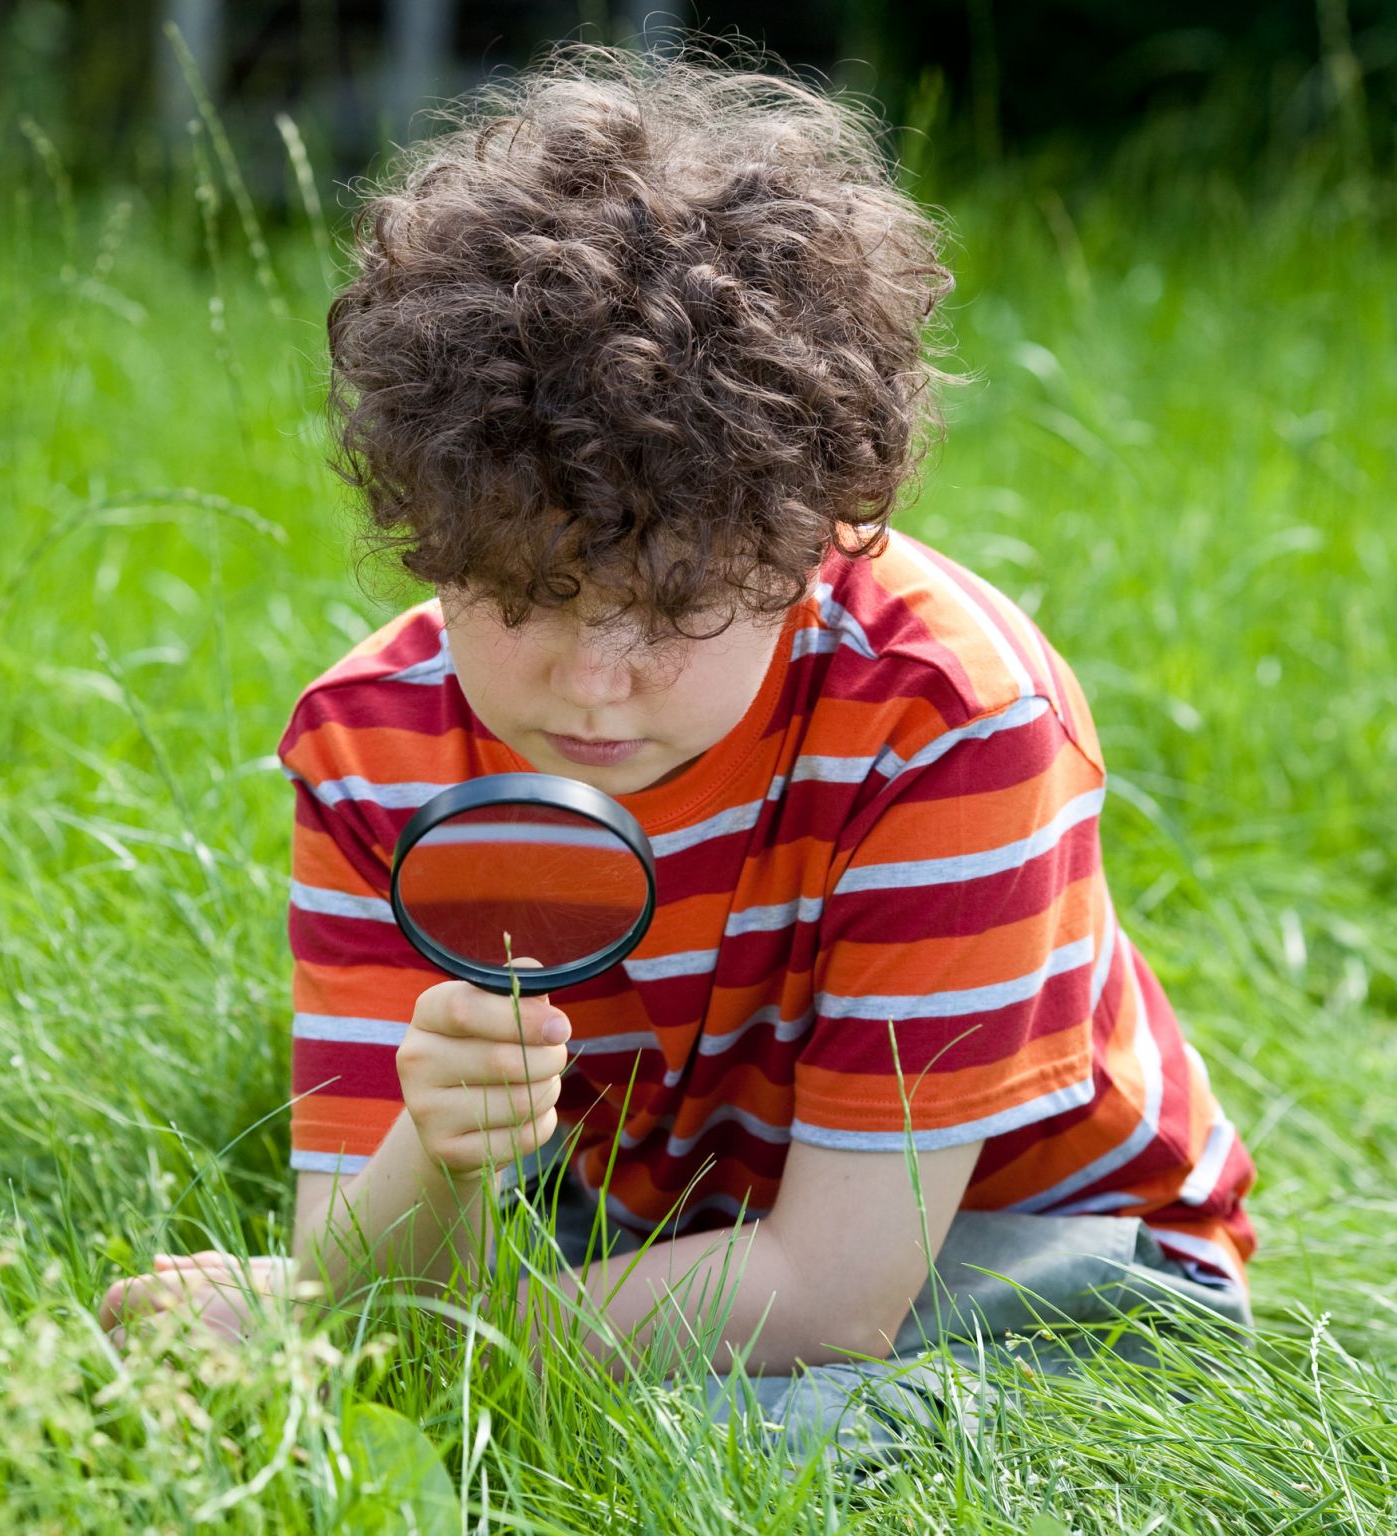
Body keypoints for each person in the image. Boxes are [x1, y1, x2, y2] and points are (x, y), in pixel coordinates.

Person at [101, 42, 1256, 1457]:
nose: (596, 685)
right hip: (688, 1212)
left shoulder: (946, 720)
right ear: (435, 532)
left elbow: (837, 1289)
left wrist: (350, 1340)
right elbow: (359, 1234)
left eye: (673, 608)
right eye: (527, 598)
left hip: (1038, 1250)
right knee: (548, 1395)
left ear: (811, 539)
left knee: (718, 1447)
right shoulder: (372, 749)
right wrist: (435, 1158)